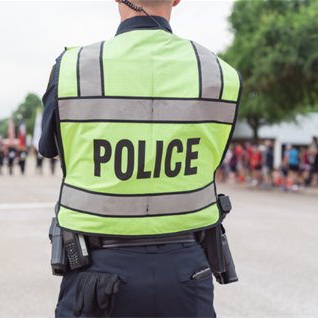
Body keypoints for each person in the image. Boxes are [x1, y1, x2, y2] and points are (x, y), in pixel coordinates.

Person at [39, 1, 242, 317]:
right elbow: (212, 155)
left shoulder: (71, 67)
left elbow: (50, 149)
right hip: (188, 270)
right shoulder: (220, 74)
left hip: (96, 272)